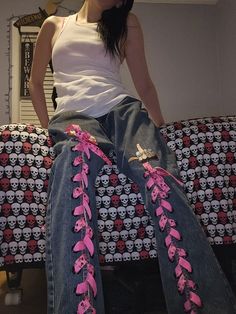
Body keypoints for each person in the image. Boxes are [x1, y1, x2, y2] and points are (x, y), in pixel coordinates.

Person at [29, 1, 236, 313]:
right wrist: (50, 129)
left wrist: (161, 131)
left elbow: (145, 85)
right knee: (75, 171)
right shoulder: (54, 25)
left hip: (123, 112)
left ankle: (204, 305)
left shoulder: (126, 23)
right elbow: (33, 83)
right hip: (73, 116)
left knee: (159, 179)